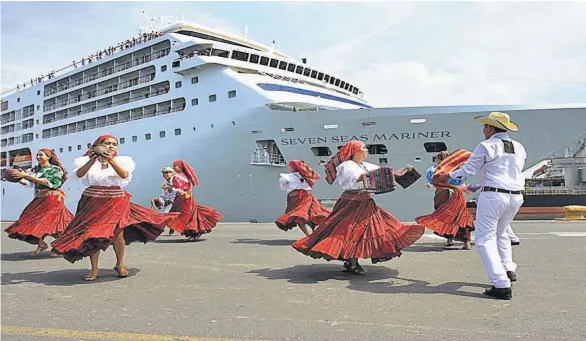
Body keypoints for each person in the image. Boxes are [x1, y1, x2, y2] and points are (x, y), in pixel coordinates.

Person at [51, 135, 177, 281]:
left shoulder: (123, 161)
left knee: (118, 233)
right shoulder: (84, 161)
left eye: (114, 144)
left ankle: (120, 264)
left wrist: (110, 159)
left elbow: (124, 175)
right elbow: (79, 174)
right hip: (92, 200)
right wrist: (93, 159)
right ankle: (94, 268)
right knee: (92, 234)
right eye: (107, 144)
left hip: (116, 199)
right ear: (98, 145)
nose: (111, 146)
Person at [292, 140, 425, 274]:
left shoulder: (364, 164)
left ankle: (351, 261)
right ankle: (352, 262)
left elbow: (382, 172)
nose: (366, 150)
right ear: (355, 151)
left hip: (365, 201)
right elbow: (359, 177)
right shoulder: (346, 165)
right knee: (351, 231)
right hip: (352, 202)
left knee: (365, 231)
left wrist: (403, 171)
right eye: (364, 148)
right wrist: (387, 173)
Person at [435, 112, 526, 300]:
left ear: (491, 128)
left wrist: (447, 177)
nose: (483, 130)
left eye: (484, 127)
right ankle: (508, 267)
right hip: (516, 196)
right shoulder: (519, 147)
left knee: (485, 239)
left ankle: (501, 283)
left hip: (493, 195)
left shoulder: (486, 145)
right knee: (502, 233)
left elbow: (468, 170)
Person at [5, 149, 73, 255]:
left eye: (41, 155)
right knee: (29, 218)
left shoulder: (55, 169)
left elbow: (49, 183)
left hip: (52, 198)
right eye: (37, 155)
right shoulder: (36, 169)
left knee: (51, 222)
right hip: (40, 197)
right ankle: (41, 243)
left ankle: (60, 247)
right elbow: (29, 182)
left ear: (48, 157)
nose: (37, 157)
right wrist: (17, 178)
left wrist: (27, 176)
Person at [420, 151, 476, 250]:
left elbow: (431, 182)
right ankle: (466, 242)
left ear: (438, 159)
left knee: (445, 216)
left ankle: (449, 240)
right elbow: (463, 180)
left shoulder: (433, 170)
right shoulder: (457, 169)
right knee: (461, 216)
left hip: (442, 193)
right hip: (458, 193)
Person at [167, 160, 224, 241]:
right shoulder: (187, 176)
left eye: (174, 166)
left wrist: (169, 188)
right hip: (189, 197)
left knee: (180, 215)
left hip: (182, 198)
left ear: (180, 167)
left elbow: (179, 189)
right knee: (190, 214)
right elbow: (187, 188)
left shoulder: (177, 177)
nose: (173, 167)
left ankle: (193, 232)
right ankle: (193, 233)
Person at [275, 160, 331, 236]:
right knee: (310, 214)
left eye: (290, 166)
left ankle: (308, 235)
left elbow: (283, 187)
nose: (288, 167)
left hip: (295, 198)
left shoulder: (288, 177)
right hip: (307, 196)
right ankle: (314, 233)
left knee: (298, 216)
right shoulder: (306, 176)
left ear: (293, 167)